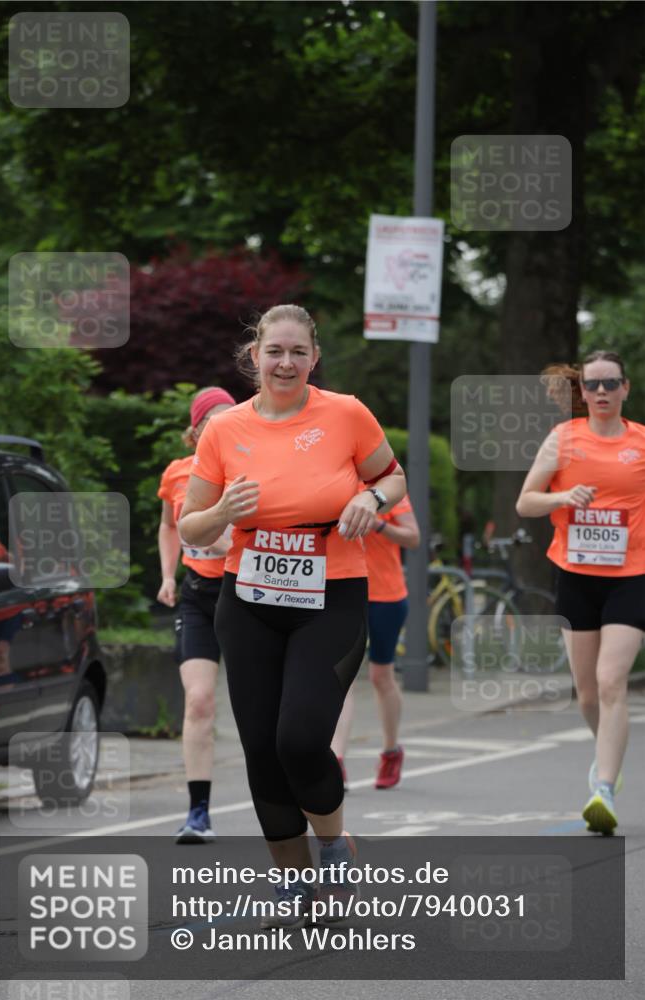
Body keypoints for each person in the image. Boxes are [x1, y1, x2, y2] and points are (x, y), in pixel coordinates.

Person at [179, 303, 407, 922]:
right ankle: (292, 877)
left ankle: (332, 840)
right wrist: (224, 511)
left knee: (300, 738)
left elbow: (393, 478)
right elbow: (189, 525)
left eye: (297, 352)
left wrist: (369, 497)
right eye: (273, 351)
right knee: (260, 748)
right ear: (254, 357)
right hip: (248, 600)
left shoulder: (346, 414)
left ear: (314, 358)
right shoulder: (225, 431)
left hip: (331, 596)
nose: (285, 362)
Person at [516, 350, 645, 835]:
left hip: (632, 575)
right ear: (583, 391)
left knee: (612, 681)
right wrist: (562, 497)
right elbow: (526, 502)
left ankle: (604, 789)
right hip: (575, 575)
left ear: (625, 388)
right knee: (588, 691)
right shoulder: (563, 439)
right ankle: (604, 757)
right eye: (594, 385)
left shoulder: (641, 443)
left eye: (612, 383)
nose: (603, 392)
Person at [157, 386, 236, 843]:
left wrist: (226, 544)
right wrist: (168, 576)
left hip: (244, 595)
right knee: (200, 700)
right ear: (197, 427)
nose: (222, 425)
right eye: (213, 418)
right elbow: (170, 526)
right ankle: (198, 812)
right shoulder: (177, 474)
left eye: (230, 417)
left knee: (259, 709)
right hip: (197, 595)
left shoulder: (249, 470)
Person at [331, 492, 420, 790]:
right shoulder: (335, 483)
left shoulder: (388, 490)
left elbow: (412, 538)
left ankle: (391, 750)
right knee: (343, 676)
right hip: (344, 593)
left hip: (386, 596)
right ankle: (336, 760)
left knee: (381, 675)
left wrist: (378, 525)